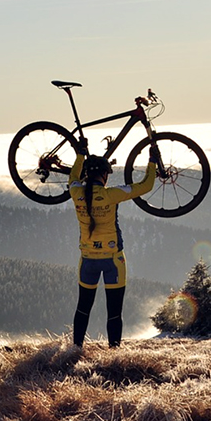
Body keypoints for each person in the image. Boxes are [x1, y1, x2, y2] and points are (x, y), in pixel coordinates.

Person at [65, 141, 158, 348]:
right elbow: (146, 186)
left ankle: (75, 350)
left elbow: (73, 177)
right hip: (113, 260)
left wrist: (80, 155)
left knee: (83, 308)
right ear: (104, 175)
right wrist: (152, 161)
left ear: (87, 174)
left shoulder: (76, 192)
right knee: (114, 312)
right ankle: (114, 353)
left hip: (87, 260)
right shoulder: (111, 194)